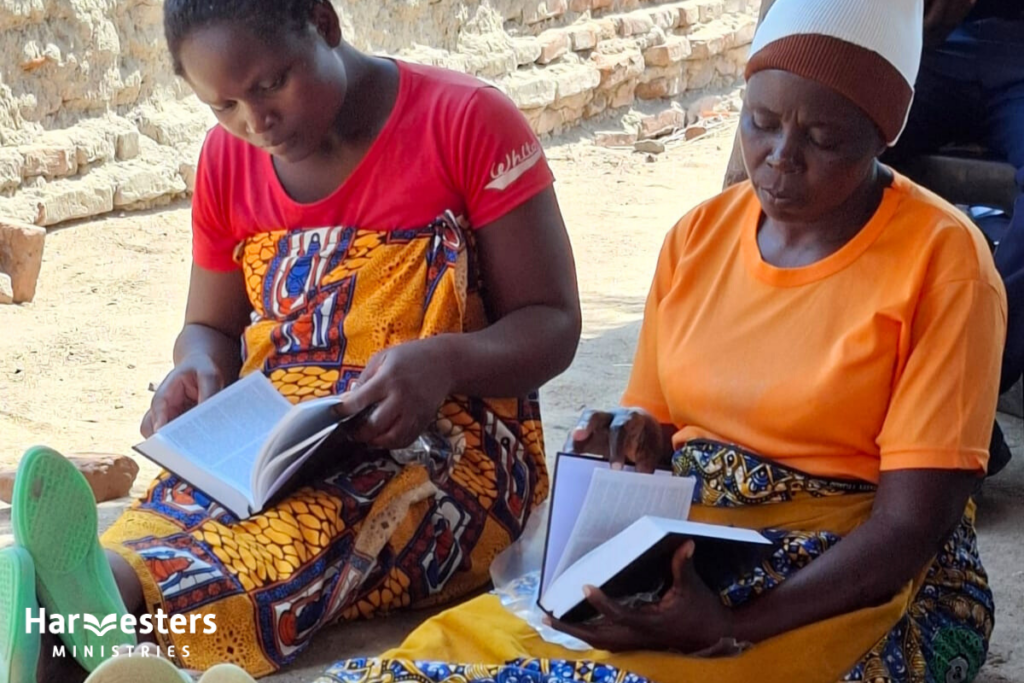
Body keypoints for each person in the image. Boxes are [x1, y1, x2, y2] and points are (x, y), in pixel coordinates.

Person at [300, 1, 1004, 682]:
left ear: (882, 134)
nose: (780, 158)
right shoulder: (700, 238)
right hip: (697, 543)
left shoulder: (944, 262)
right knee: (465, 651)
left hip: (852, 570)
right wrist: (634, 440)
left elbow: (911, 529)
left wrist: (733, 625)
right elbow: (658, 426)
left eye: (823, 139)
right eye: (760, 123)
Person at [0, 0, 581, 680]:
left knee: (318, 520)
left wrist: (444, 360)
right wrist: (196, 370)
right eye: (224, 106)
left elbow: (553, 321)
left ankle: (86, 623)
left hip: (452, 454)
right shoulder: (227, 160)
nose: (255, 121)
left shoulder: (466, 121)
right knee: (186, 504)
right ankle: (91, 615)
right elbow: (209, 327)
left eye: (271, 83)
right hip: (276, 437)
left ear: (324, 23)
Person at [725, 0, 1024, 475]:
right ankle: (812, 389)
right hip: (925, 50)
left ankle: (963, 399)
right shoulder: (696, 237)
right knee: (835, 138)